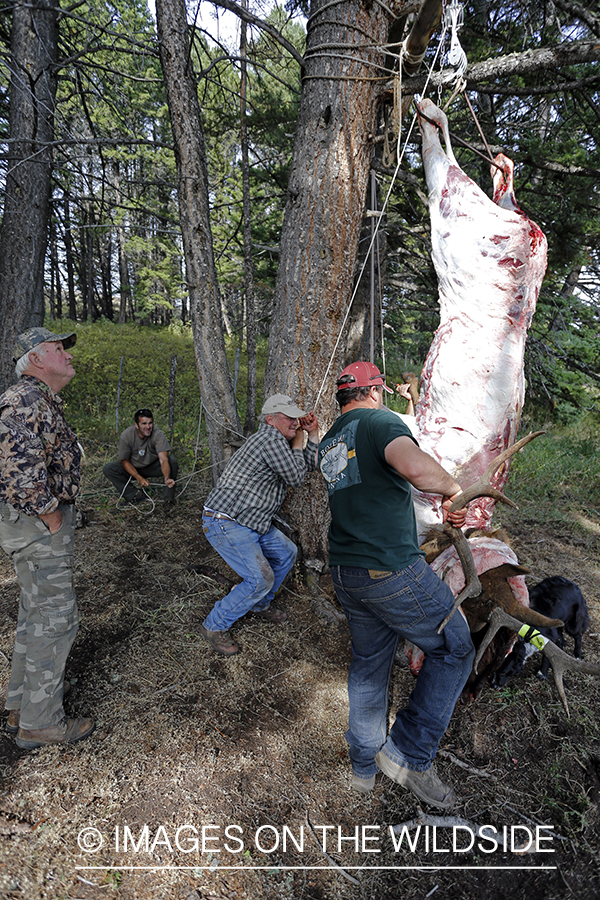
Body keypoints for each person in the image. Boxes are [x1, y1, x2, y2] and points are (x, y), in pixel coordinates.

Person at [317, 361, 475, 808]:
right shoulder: (378, 419)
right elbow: (415, 468)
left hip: (347, 572)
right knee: (455, 648)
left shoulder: (331, 440)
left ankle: (363, 767)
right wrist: (453, 490)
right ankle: (408, 755)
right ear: (374, 390)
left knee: (369, 662)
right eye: (382, 390)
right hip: (389, 569)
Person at [0, 327, 94, 749]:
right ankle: (39, 723)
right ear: (36, 359)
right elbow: (17, 468)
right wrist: (51, 515)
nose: (68, 356)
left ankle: (22, 704)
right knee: (56, 620)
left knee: (36, 614)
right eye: (59, 349)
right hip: (38, 527)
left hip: (35, 525)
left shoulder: (40, 400)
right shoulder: (22, 402)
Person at [200, 394, 319, 656]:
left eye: (295, 418)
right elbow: (296, 476)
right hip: (226, 520)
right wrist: (299, 443)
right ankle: (214, 625)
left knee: (287, 551)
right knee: (259, 579)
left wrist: (313, 434)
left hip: (250, 521)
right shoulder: (269, 438)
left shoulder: (281, 441)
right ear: (271, 419)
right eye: (289, 418)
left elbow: (311, 464)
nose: (295, 422)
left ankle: (260, 604)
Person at [103, 408, 178, 510]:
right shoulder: (127, 435)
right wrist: (139, 478)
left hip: (152, 467)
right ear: (136, 425)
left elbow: (163, 459)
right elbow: (124, 461)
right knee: (109, 468)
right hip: (133, 467)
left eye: (150, 423)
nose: (148, 427)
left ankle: (168, 500)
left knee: (172, 461)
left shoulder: (158, 434)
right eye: (144, 424)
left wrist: (166, 478)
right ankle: (135, 495)